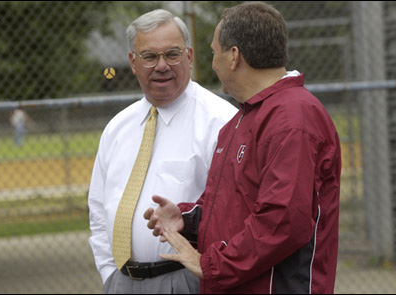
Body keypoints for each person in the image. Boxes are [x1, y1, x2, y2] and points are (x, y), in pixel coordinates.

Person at [144, 2, 341, 294]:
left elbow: (282, 222)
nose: (212, 63)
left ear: (234, 56)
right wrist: (187, 220)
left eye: (214, 52)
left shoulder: (292, 120)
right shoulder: (241, 120)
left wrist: (212, 265)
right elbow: (236, 206)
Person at [87, 9, 237, 294]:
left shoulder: (221, 122)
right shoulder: (117, 127)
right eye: (150, 57)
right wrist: (109, 273)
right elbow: (98, 207)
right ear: (133, 62)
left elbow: (233, 211)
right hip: (120, 282)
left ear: (190, 56)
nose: (162, 65)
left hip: (186, 280)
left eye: (172, 54)